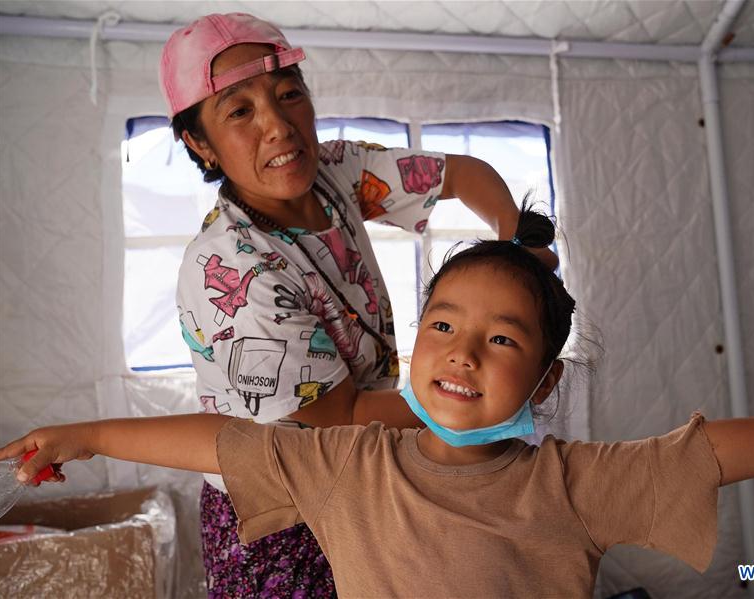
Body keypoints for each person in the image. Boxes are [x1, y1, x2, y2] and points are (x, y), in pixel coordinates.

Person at [0, 206, 754, 598]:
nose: (463, 351)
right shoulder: (344, 464)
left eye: (502, 338)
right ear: (414, 344)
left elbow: (707, 453)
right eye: (442, 325)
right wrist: (83, 430)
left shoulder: (573, 482)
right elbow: (223, 441)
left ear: (543, 382)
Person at [156, 11, 557, 597]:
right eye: (240, 111)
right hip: (281, 512)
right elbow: (335, 416)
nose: (279, 126)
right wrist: (477, 401)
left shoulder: (335, 172)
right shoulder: (232, 269)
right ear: (199, 143)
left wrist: (512, 245)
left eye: (289, 94)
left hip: (360, 468)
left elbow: (463, 175)